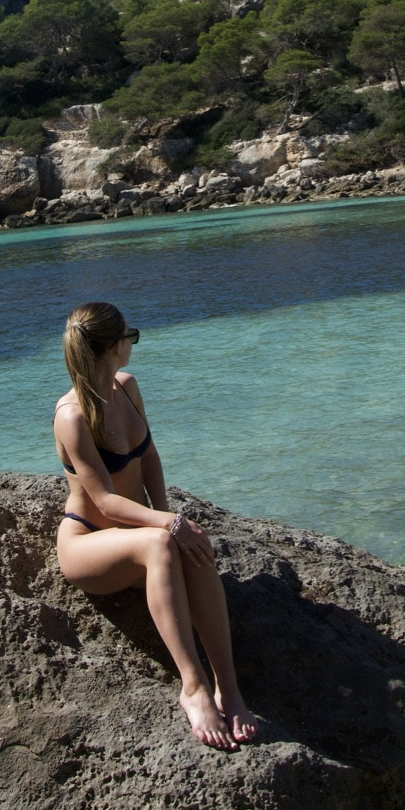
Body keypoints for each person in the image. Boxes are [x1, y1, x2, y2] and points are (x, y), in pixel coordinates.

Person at [53, 300, 258, 751]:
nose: (133, 342)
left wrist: (172, 522)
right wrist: (166, 524)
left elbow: (148, 456)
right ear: (113, 346)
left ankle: (229, 687)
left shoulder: (126, 387)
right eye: (132, 335)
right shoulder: (72, 416)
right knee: (161, 545)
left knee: (188, 545)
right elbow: (104, 500)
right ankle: (193, 687)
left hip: (137, 532)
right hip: (89, 542)